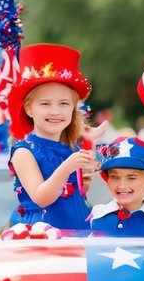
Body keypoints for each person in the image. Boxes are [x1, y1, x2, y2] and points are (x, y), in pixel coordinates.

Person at [6, 43, 108, 229]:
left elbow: (71, 198)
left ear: (73, 108)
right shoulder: (24, 152)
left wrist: (84, 181)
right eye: (45, 104)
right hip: (43, 239)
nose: (55, 111)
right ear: (29, 109)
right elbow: (42, 198)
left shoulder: (72, 148)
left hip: (78, 236)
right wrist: (67, 167)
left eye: (63, 104)